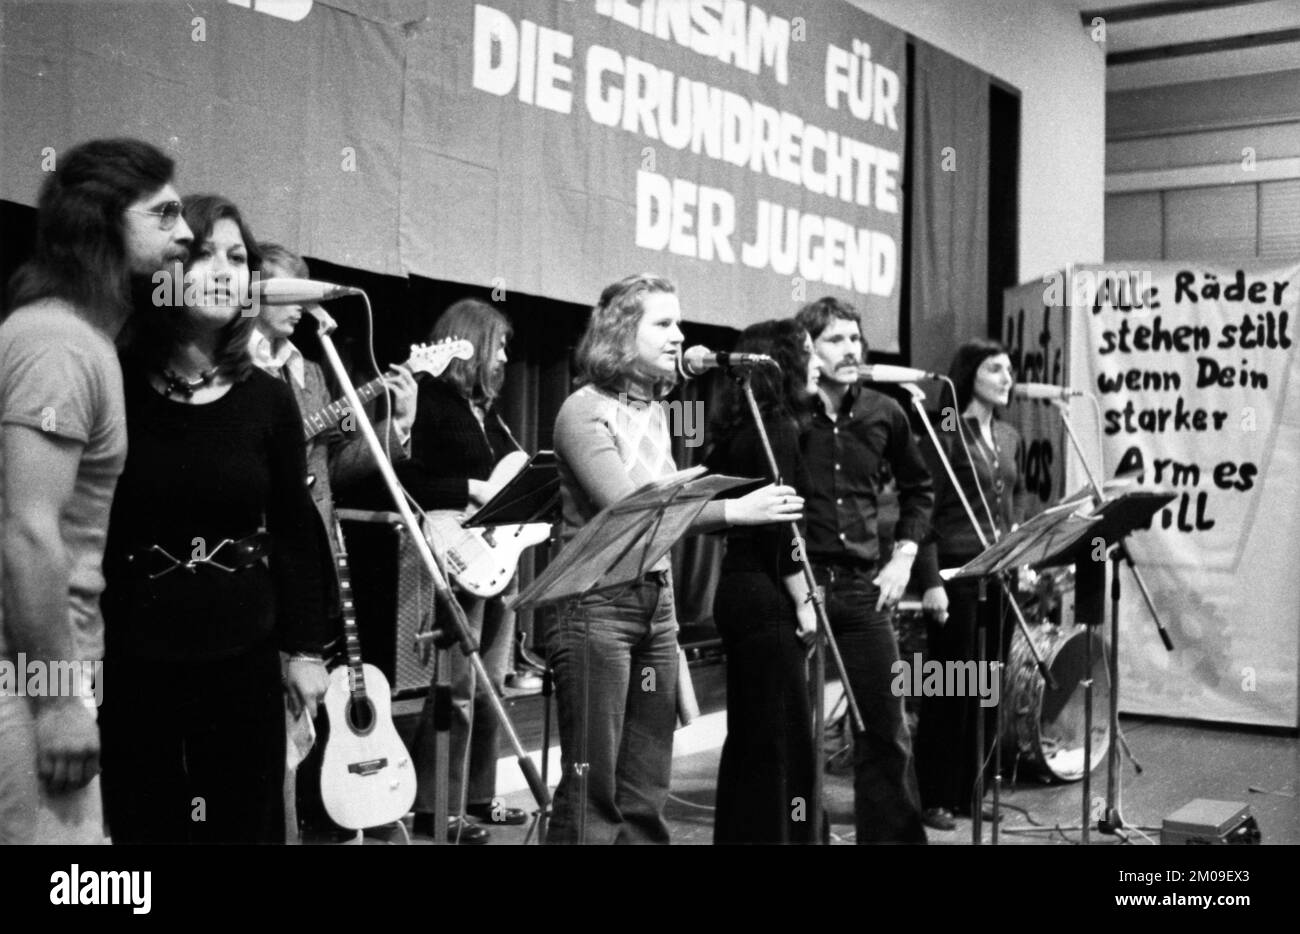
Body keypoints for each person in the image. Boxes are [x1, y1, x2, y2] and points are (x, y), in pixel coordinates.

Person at [98, 194, 329, 844]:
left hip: (245, 655)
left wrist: (306, 650)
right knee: (148, 828)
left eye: (239, 257)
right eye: (206, 255)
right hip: (135, 657)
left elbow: (293, 527)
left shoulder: (269, 399)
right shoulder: (112, 384)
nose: (228, 269)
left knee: (247, 828)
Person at [549, 273, 802, 844]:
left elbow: (667, 506)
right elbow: (634, 511)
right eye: (663, 323)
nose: (678, 335)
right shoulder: (582, 412)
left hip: (655, 604)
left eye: (678, 323)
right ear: (619, 332)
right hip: (596, 608)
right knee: (593, 793)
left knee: (645, 789)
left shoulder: (656, 411)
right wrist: (736, 511)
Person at [0, 138, 194, 845]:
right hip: (24, 680)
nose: (188, 235)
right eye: (165, 215)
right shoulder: (58, 343)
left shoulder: (82, 341)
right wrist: (55, 701)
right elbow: (28, 531)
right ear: (101, 222)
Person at [250, 243, 417, 841]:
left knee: (300, 719)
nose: (302, 305)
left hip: (307, 558)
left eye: (307, 292)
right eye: (288, 292)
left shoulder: (312, 369)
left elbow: (333, 468)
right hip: (247, 560)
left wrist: (395, 425)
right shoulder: (233, 369)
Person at [794, 296, 934, 845]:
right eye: (835, 339)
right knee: (796, 737)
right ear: (808, 348)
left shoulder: (885, 411)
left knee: (885, 729)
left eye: (855, 338)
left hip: (860, 589)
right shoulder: (789, 411)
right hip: (797, 586)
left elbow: (920, 489)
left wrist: (904, 557)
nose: (850, 349)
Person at [397, 298, 526, 844]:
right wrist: (471, 489)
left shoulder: (486, 412)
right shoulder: (428, 399)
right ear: (469, 343)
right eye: (497, 345)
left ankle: (479, 798)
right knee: (458, 688)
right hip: (455, 557)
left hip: (499, 555)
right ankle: (438, 807)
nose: (503, 358)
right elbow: (407, 482)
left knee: (493, 683)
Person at [704, 319, 821, 844]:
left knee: (752, 743)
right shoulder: (778, 430)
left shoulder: (736, 432)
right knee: (780, 746)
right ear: (783, 364)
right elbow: (784, 527)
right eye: (808, 353)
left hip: (738, 592)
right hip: (769, 594)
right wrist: (805, 601)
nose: (815, 363)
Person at [913, 339, 1024, 831]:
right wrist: (931, 580)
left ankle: (967, 790)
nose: (1007, 377)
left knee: (985, 688)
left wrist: (1022, 551)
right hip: (956, 575)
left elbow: (1011, 503)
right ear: (969, 375)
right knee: (950, 688)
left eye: (1009, 370)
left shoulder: (1009, 435)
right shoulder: (946, 430)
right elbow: (924, 510)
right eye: (995, 368)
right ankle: (933, 794)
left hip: (1000, 573)